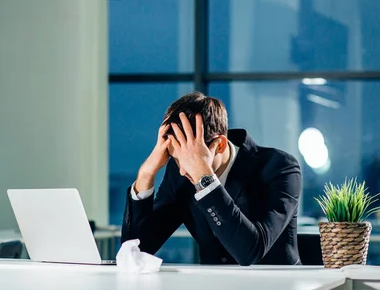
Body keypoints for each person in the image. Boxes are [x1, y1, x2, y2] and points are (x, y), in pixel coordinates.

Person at [121, 92, 302, 266]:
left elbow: (250, 252)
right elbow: (137, 249)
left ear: (220, 145)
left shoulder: (280, 167)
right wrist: (146, 174)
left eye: (189, 159)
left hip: (279, 287)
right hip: (213, 288)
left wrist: (204, 178)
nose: (183, 170)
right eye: (176, 159)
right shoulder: (179, 173)